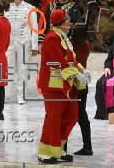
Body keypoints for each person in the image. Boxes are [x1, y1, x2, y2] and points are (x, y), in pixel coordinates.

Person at [37, 9, 89, 164]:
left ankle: (58, 149)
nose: (70, 23)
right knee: (53, 118)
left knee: (70, 116)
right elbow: (58, 61)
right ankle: (46, 152)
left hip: (66, 85)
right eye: (67, 20)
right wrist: (75, 73)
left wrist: (81, 70)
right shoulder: (52, 38)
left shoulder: (63, 37)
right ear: (60, 23)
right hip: (54, 85)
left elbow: (70, 59)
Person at [5, 0, 39, 104]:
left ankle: (21, 95)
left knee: (23, 69)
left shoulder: (30, 9)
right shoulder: (7, 8)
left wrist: (34, 46)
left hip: (24, 43)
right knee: (8, 68)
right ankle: (7, 96)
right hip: (10, 43)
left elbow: (34, 28)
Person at [70, 23, 93, 156]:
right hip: (82, 84)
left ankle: (63, 146)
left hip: (75, 82)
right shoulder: (86, 43)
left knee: (72, 115)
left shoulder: (75, 45)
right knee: (82, 116)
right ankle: (87, 146)